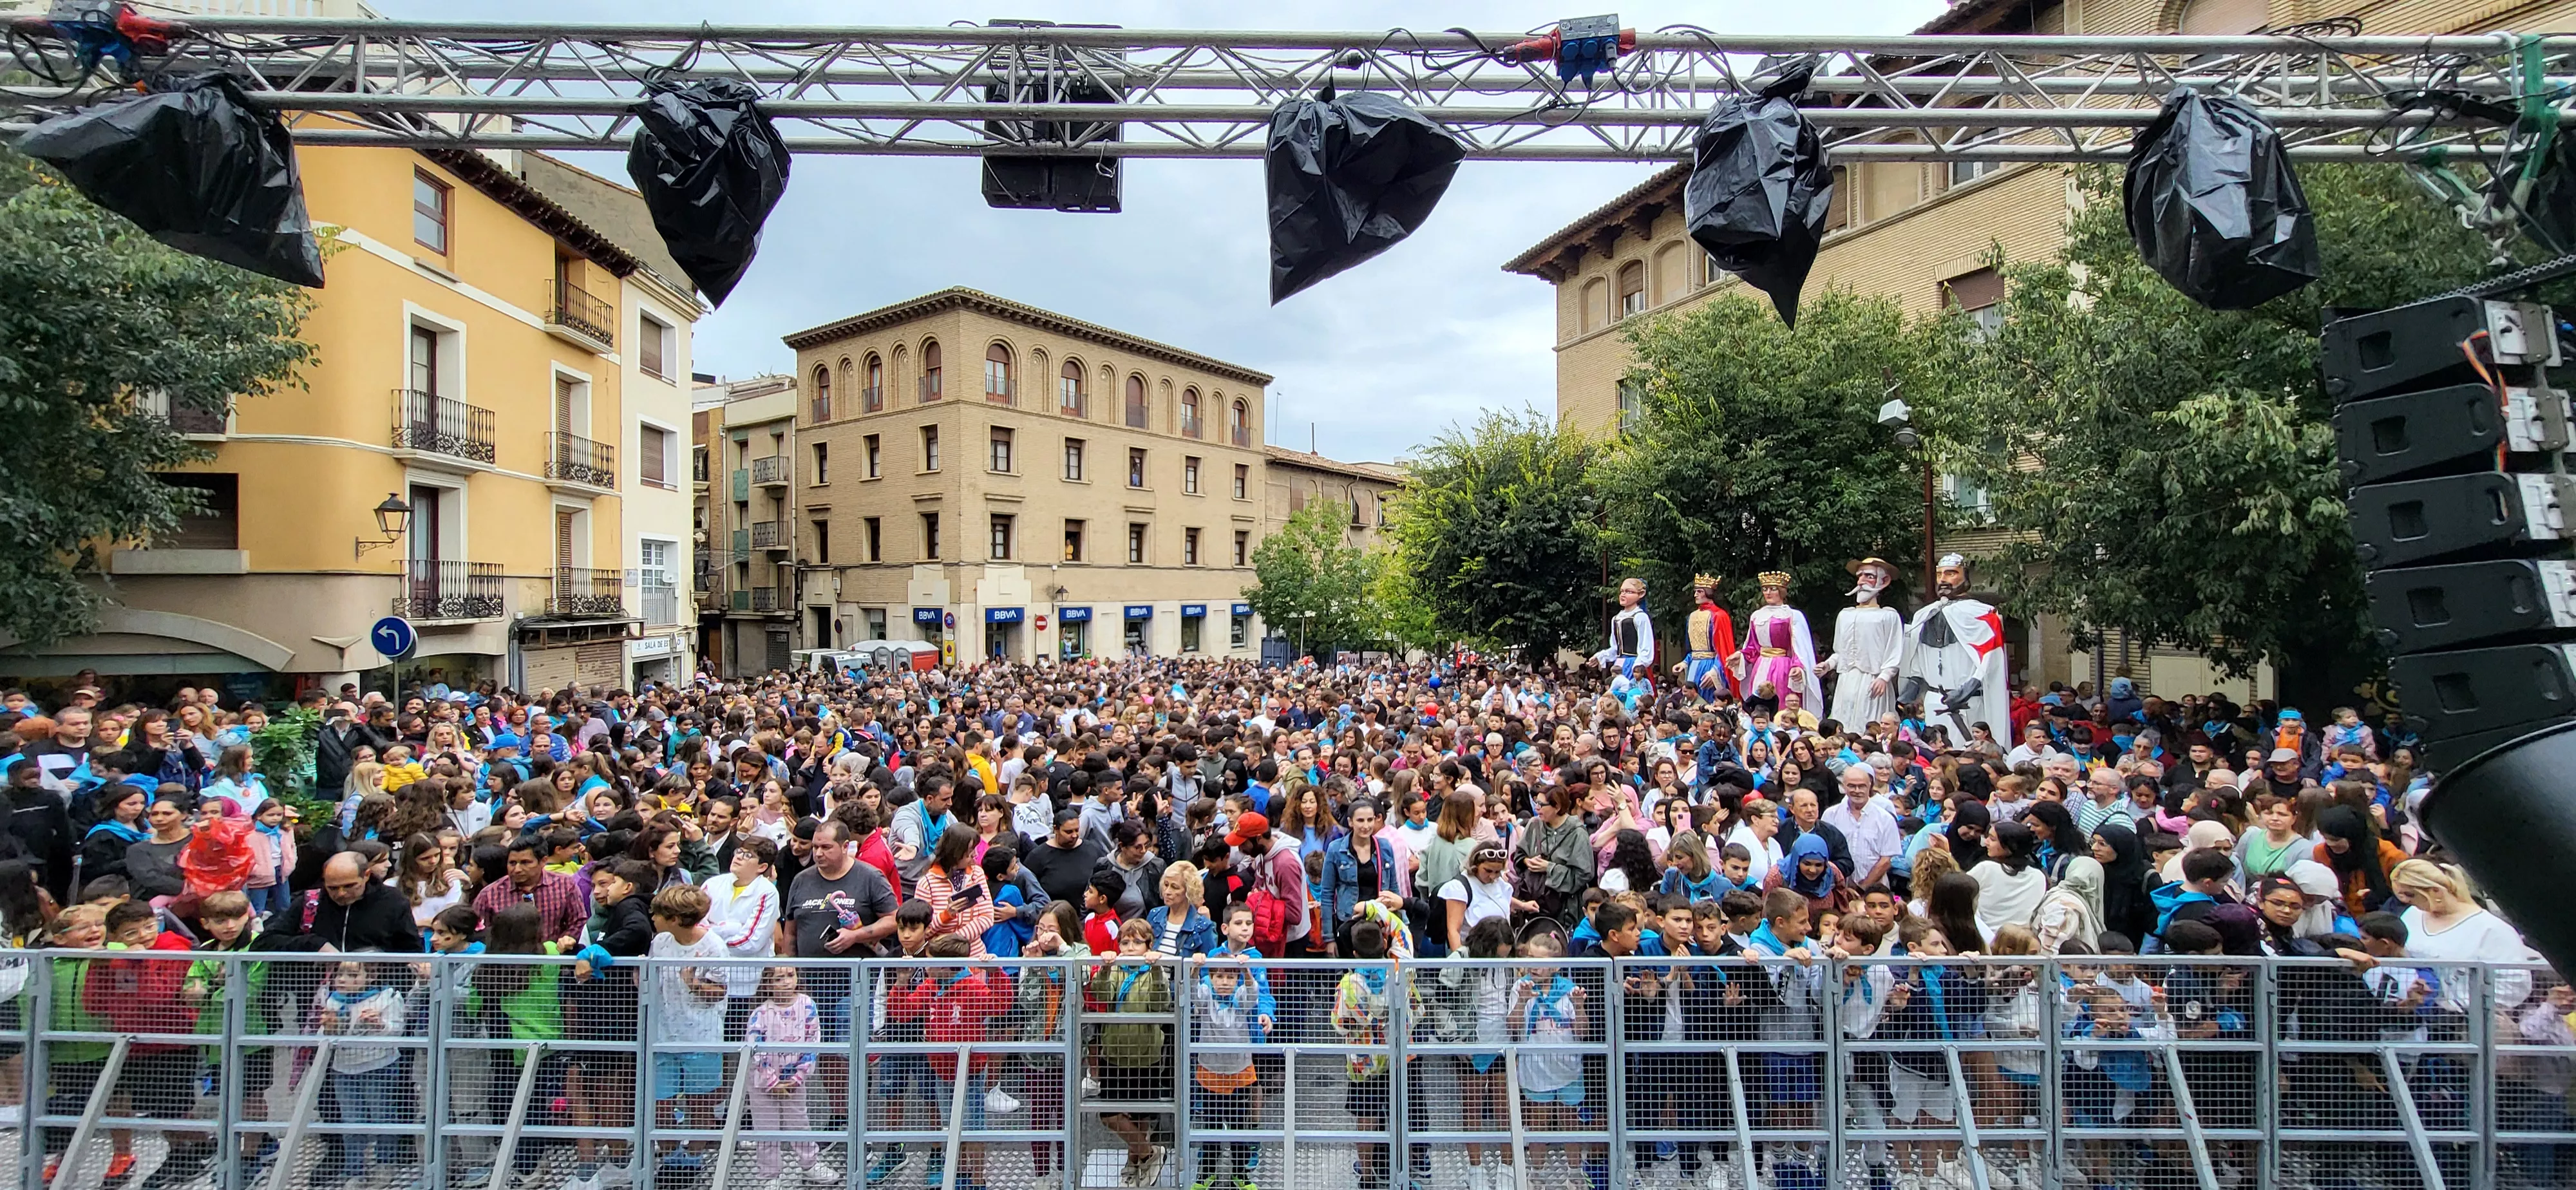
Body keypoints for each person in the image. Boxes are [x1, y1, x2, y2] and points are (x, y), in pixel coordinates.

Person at [745, 966, 837, 1185]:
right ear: (768, 984)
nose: (786, 982)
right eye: (779, 978)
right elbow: (755, 1049)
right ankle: (770, 1176)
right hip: (763, 1084)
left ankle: (810, 1164)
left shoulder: (807, 1005)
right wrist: (772, 1081)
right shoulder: (760, 1013)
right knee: (766, 1129)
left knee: (800, 1123)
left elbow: (813, 1041)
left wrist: (797, 1078)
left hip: (795, 1081)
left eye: (790, 975)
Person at [1821, 558, 1904, 728]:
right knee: (1843, 721)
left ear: (1884, 581)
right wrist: (1828, 664)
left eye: (1869, 576)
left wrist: (1885, 676)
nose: (1861, 581)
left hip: (1872, 680)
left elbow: (1894, 651)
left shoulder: (1888, 616)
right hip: (1847, 680)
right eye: (1860, 576)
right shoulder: (1845, 615)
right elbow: (1840, 651)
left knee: (1870, 723)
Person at [1739, 571, 1821, 713]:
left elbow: (1799, 648)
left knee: (1779, 700)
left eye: (1773, 589)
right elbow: (1753, 646)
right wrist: (1741, 656)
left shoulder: (1792, 615)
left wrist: (1798, 666)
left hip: (1781, 665)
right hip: (1761, 664)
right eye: (1765, 589)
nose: (1768, 593)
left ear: (1782, 592)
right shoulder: (1757, 616)